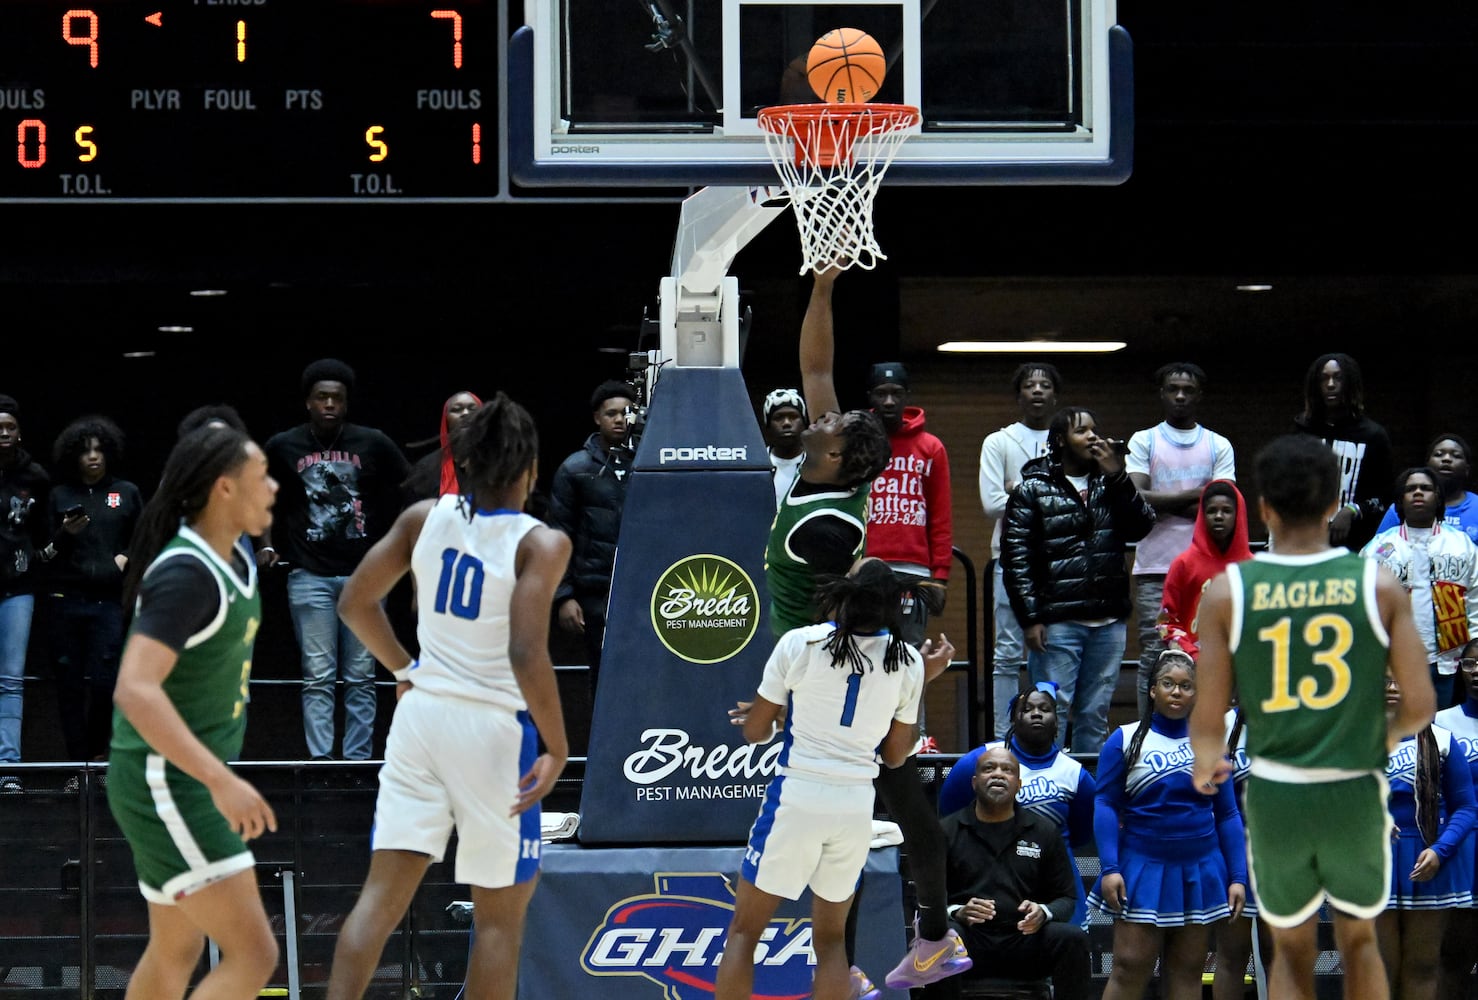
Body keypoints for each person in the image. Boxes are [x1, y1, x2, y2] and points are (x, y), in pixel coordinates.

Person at [324, 394, 570, 1000]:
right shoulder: (540, 542)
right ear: (529, 468)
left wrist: (404, 667)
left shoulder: (421, 518)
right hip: (493, 730)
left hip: (420, 720)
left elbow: (354, 602)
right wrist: (559, 747)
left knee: (378, 902)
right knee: (498, 922)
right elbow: (525, 652)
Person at [1190, 433, 1436, 1000]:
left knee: (1291, 946)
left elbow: (1209, 717)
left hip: (1279, 791)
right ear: (1334, 505)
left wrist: (1208, 761)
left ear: (1265, 508)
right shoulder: (1377, 583)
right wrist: (1381, 737)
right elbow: (1421, 704)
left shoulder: (1229, 590)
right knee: (1359, 941)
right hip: (1351, 786)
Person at [776, 263, 963, 998]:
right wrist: (822, 287)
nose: (817, 415)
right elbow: (816, 366)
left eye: (824, 424)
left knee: (860, 802)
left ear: (835, 455)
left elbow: (857, 604)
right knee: (887, 793)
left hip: (827, 664)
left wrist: (905, 670)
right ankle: (929, 939)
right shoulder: (832, 470)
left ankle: (869, 958)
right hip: (849, 656)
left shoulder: (828, 519)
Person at [105, 422, 280, 1000]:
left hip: (174, 780)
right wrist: (220, 780)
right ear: (225, 488)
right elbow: (135, 689)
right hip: (169, 784)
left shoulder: (238, 557)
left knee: (175, 948)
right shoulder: (186, 572)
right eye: (262, 477)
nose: (274, 487)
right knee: (254, 954)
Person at [716, 558, 939, 1000]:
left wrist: (781, 718)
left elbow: (754, 731)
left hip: (797, 795)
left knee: (744, 931)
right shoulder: (908, 661)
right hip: (855, 804)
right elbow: (896, 755)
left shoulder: (802, 643)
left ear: (846, 593)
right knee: (832, 941)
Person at [259, 358, 411, 761]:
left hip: (365, 577)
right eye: (321, 397)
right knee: (318, 676)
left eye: (336, 399)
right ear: (308, 402)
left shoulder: (373, 441)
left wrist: (398, 543)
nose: (329, 404)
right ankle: (320, 761)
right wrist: (266, 543)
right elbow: (260, 496)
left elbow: (409, 487)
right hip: (309, 573)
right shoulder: (283, 445)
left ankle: (358, 760)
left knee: (361, 676)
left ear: (346, 404)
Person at [1088, 648, 1247, 1000]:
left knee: (1188, 969)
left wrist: (1237, 876)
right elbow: (1106, 803)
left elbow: (1228, 814)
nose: (1177, 692)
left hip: (1200, 867)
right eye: (1168, 684)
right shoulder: (1125, 739)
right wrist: (1110, 867)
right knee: (1130, 964)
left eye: (1186, 686)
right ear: (1152, 689)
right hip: (1142, 865)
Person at [1000, 405, 1156, 754]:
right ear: (1060, 441)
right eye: (1082, 431)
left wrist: (1118, 476)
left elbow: (1142, 526)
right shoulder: (1033, 488)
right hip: (1057, 620)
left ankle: (1088, 792)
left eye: (1094, 430)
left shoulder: (1109, 482)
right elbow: (1016, 557)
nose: (1092, 437)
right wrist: (1030, 617)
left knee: (1095, 713)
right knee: (1049, 711)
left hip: (1108, 619)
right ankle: (1045, 789)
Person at [929, 745, 1092, 1000]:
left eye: (1007, 770)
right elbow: (925, 899)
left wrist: (1044, 912)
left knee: (1073, 938)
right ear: (974, 783)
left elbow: (1066, 899)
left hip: (1025, 941)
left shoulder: (1044, 831)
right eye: (988, 769)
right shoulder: (946, 831)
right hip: (970, 942)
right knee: (945, 938)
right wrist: (956, 912)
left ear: (1018, 785)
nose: (997, 774)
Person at [937, 682, 1096, 927]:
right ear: (1013, 718)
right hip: (987, 871)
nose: (1036, 713)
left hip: (1054, 875)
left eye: (1044, 709)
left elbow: (1082, 832)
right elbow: (950, 809)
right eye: (1027, 708)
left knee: (1064, 947)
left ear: (1057, 720)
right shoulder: (983, 758)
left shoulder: (1075, 773)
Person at [1126, 362, 1237, 715]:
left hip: (1208, 572)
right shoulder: (1145, 440)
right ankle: (1147, 735)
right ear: (1162, 394)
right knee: (1155, 654)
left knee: (1209, 654)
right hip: (1155, 567)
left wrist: (1164, 500)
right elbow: (1137, 497)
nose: (1179, 396)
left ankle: (1199, 737)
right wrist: (1196, 495)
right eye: (1173, 389)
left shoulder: (1218, 444)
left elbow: (1223, 503)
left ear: (1199, 396)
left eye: (1188, 390)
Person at [42, 414, 143, 779]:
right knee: (69, 688)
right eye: (85, 451)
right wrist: (65, 534)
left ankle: (96, 756)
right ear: (74, 456)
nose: (93, 457)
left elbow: (145, 537)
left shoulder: (127, 492)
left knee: (105, 684)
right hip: (64, 601)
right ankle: (76, 767)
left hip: (108, 604)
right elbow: (43, 554)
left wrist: (126, 555)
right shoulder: (59, 495)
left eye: (99, 450)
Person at [1375, 671, 1477, 1000]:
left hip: (1431, 859)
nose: (1392, 687)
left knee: (1423, 966)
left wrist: (1441, 849)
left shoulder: (1441, 739)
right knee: (1381, 969)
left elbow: (1465, 806)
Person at [979, 362, 1061, 739]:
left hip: (1060, 562)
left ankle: (1048, 738)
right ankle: (1002, 739)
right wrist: (1041, 496)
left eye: (1045, 385)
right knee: (1008, 655)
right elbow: (992, 503)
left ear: (1055, 395)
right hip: (1012, 559)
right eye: (1030, 385)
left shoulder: (1068, 441)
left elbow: (1077, 503)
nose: (1038, 391)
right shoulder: (999, 442)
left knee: (1050, 653)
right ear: (1019, 395)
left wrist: (1020, 489)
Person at [546, 379, 639, 694]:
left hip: (645, 589)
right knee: (603, 676)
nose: (619, 419)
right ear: (597, 418)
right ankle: (605, 745)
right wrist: (564, 596)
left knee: (647, 672)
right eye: (611, 413)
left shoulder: (652, 464)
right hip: (594, 593)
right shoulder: (575, 469)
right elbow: (559, 534)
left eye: (626, 412)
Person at [1361, 467, 1478, 710]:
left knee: (1443, 731)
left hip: (1448, 662)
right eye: (1410, 489)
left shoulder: (1462, 545)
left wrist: (1473, 648)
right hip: (1393, 662)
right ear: (1400, 501)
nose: (1418, 493)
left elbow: (1476, 599)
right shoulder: (1378, 548)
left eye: (1425, 488)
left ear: (1438, 498)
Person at [863, 360, 953, 648]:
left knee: (909, 654)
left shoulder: (931, 447)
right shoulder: (858, 441)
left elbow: (940, 515)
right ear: (870, 396)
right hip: (866, 565)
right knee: (864, 649)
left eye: (896, 393)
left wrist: (940, 576)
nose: (889, 401)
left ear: (907, 396)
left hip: (914, 572)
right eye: (881, 393)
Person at [1291, 352, 1394, 553]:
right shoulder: (1302, 431)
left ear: (1350, 383)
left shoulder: (1373, 435)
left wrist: (1353, 510)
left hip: (1358, 546)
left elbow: (1387, 495)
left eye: (1338, 378)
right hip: (1308, 542)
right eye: (1324, 378)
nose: (1330, 384)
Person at [0, 393, 50, 793]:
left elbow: (43, 533)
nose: (3, 433)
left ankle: (8, 765)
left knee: (11, 679)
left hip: (18, 586)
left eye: (9, 427)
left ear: (19, 432)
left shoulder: (35, 476)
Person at [1159, 479, 1253, 657]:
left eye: (1226, 511)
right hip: (1194, 665)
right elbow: (1166, 622)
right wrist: (1193, 655)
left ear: (1238, 515)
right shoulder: (1183, 564)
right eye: (1211, 511)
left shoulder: (1253, 569)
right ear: (1202, 515)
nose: (1218, 516)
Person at [1435, 642, 1478, 999]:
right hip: (1462, 849)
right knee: (1454, 957)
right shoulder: (1442, 721)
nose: (1477, 671)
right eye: (1470, 663)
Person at [1376, 433, 1478, 545]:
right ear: (1427, 465)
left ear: (1467, 469)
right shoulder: (1403, 506)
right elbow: (1380, 549)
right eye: (1439, 454)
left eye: (1456, 455)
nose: (1446, 459)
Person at [399, 390, 483, 505]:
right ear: (446, 420)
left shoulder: (501, 464)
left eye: (472, 409)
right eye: (457, 409)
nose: (465, 413)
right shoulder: (426, 469)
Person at [762, 387, 807, 510]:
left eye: (793, 416)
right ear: (768, 426)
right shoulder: (757, 466)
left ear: (804, 424)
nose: (786, 423)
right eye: (778, 417)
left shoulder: (815, 465)